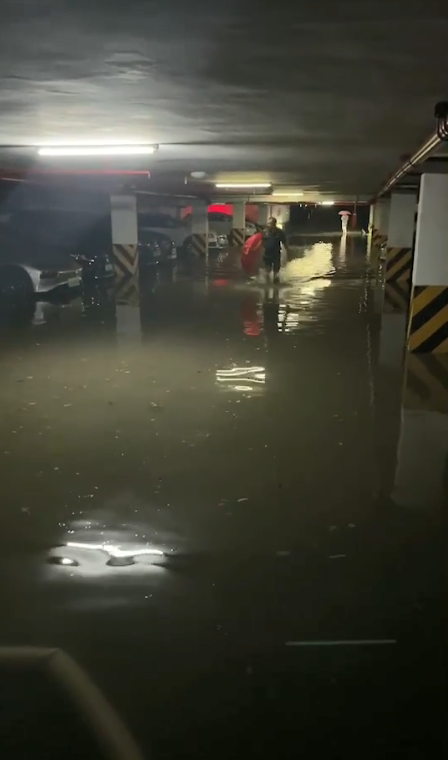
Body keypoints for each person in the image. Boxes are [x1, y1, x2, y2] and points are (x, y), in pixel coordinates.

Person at [262, 216, 288, 283]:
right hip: (267, 254)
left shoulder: (280, 232)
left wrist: (288, 251)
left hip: (276, 253)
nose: (268, 225)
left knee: (276, 270)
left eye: (270, 224)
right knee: (267, 270)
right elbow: (260, 242)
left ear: (274, 224)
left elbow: (284, 242)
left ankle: (276, 282)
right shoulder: (264, 232)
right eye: (268, 223)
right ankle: (267, 285)